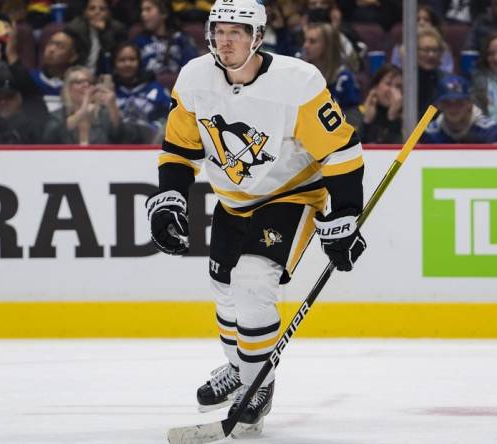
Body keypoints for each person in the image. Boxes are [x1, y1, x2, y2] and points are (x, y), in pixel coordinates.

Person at [145, 0, 366, 435]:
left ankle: (256, 383)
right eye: (219, 31)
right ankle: (239, 366)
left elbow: (340, 151)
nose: (224, 41)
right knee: (223, 288)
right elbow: (179, 149)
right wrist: (170, 198)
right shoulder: (193, 77)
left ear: (258, 37)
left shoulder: (297, 81)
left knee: (252, 280)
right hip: (233, 200)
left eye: (237, 32)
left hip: (293, 195)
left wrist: (344, 216)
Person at [42, 66, 121, 144]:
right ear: (68, 88)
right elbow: (50, 137)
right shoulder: (57, 116)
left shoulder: (102, 114)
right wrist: (83, 109)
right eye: (79, 82)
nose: (86, 85)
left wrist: (112, 105)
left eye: (89, 82)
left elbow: (119, 136)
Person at [111, 42, 171, 143]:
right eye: (122, 60)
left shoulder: (155, 88)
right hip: (114, 147)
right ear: (114, 64)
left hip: (152, 146)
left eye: (132, 59)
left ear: (139, 62)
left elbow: (170, 115)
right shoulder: (109, 91)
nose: (127, 64)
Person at [422, 74, 497, 143]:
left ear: (470, 103)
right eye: (447, 102)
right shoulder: (431, 133)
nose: (453, 108)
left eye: (459, 102)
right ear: (439, 105)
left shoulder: (489, 131)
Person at [302, 22, 361, 113]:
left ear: (327, 45)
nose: (306, 45)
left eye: (312, 41)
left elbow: (352, 117)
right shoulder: (301, 73)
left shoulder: (344, 78)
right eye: (305, 40)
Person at [133, 0, 198, 77]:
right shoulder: (138, 42)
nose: (143, 14)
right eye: (142, 10)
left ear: (164, 13)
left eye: (148, 9)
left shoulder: (182, 39)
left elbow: (193, 69)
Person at [65, 0, 127, 75]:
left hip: (106, 75)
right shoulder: (74, 30)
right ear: (85, 13)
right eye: (92, 8)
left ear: (108, 13)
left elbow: (111, 56)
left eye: (102, 9)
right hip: (78, 73)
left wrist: (103, 33)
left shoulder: (118, 30)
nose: (97, 12)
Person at [32, 28, 86, 112]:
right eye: (50, 44)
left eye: (60, 46)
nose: (51, 50)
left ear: (73, 56)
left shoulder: (81, 86)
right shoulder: (30, 79)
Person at [390, 4, 455, 74]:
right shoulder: (400, 48)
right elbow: (396, 71)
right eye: (417, 20)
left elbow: (447, 72)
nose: (421, 23)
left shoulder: (442, 47)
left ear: (433, 24)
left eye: (426, 20)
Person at [348, 64, 403, 143]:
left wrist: (393, 118)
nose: (392, 91)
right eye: (388, 84)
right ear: (375, 86)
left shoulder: (407, 119)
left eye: (398, 86)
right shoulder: (354, 115)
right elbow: (353, 148)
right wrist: (366, 121)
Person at [417, 26, 452, 115]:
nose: (431, 55)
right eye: (426, 50)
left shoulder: (447, 82)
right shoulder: (401, 80)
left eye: (435, 50)